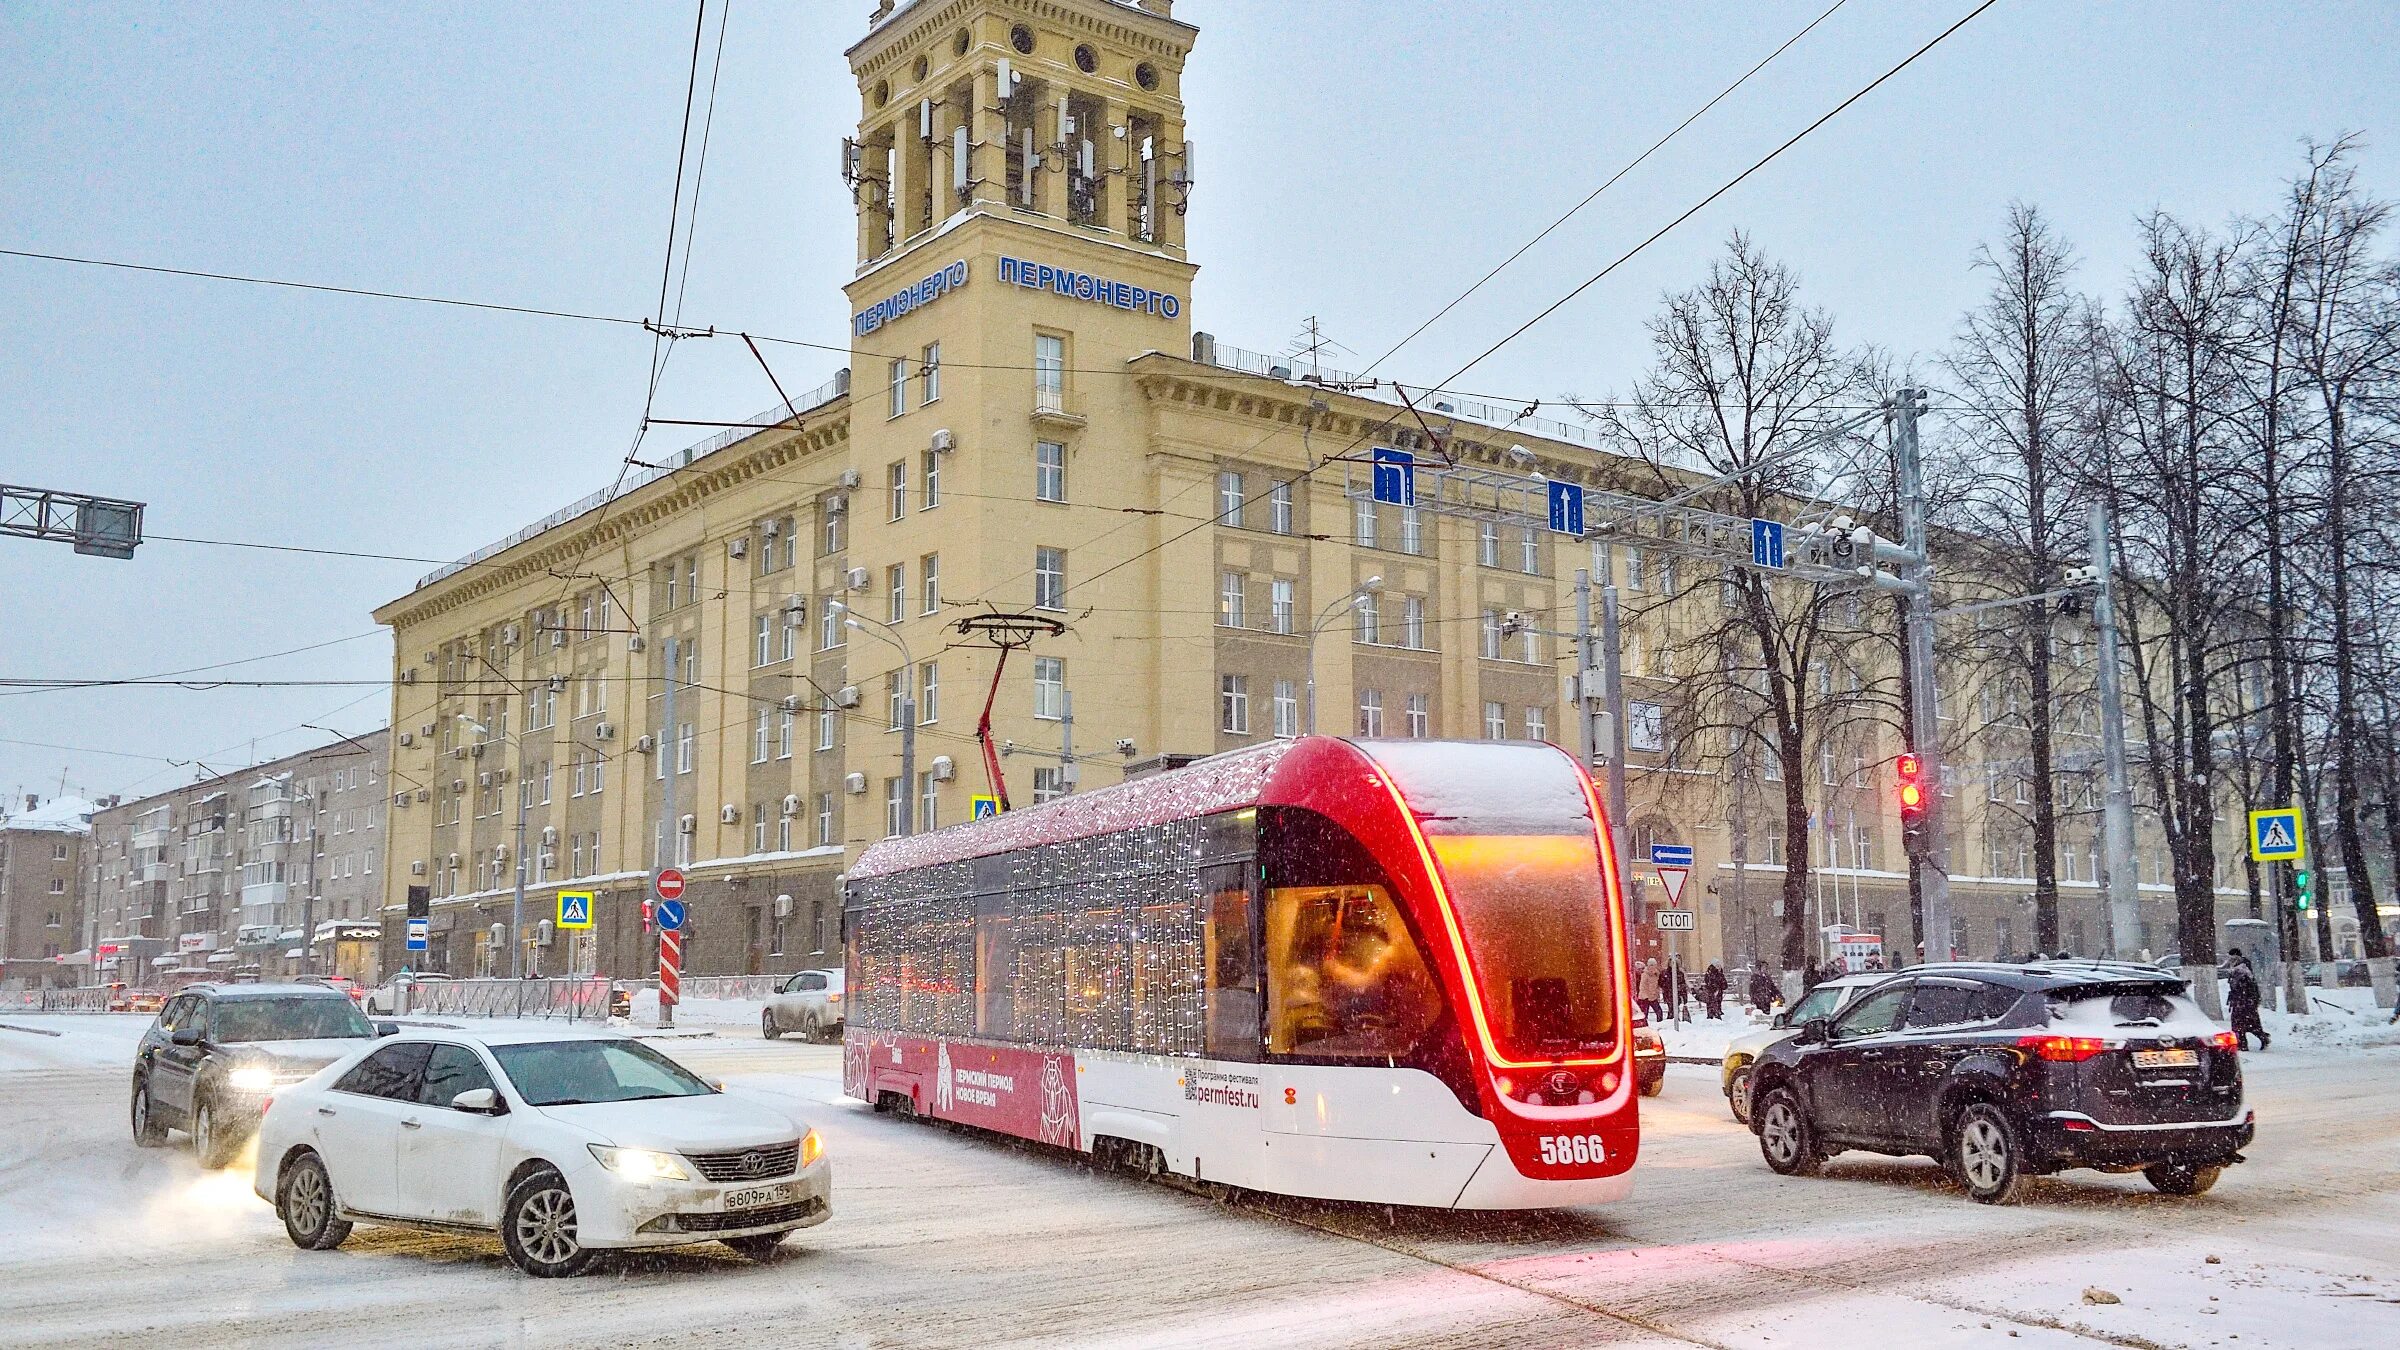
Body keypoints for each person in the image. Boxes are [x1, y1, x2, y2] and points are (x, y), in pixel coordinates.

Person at [2219, 948, 2268, 1051]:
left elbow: (2248, 986)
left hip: (2245, 1001)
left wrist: (2249, 999)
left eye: (2232, 957)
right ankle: (2244, 1043)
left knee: (2247, 1023)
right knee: (2241, 1024)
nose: (2230, 960)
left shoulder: (2242, 969)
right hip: (2239, 1001)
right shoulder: (2236, 968)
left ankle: (2260, 1039)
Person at [1636, 959, 1663, 1023]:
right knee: (1644, 1014)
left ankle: (1660, 1023)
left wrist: (1657, 994)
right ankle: (1643, 1025)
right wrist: (1645, 996)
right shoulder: (1644, 974)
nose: (1652, 967)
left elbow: (1657, 986)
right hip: (1645, 997)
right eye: (1650, 965)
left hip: (1653, 996)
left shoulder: (1656, 974)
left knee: (1659, 1012)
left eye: (1653, 965)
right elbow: (1642, 986)